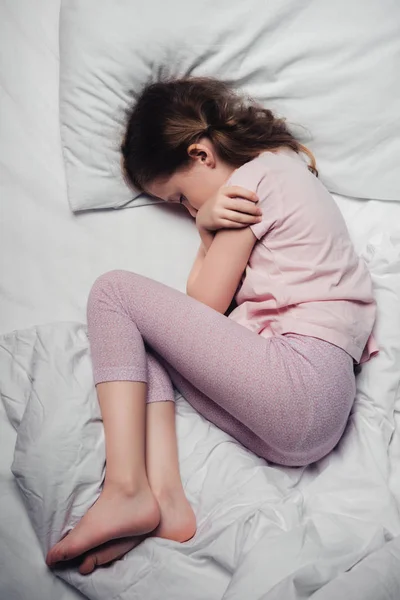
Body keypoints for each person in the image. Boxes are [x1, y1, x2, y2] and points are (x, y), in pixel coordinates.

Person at [46, 77, 377, 575]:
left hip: (302, 383)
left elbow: (204, 301)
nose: (190, 209)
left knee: (112, 292)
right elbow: (204, 311)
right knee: (141, 345)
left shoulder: (254, 183)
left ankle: (123, 487)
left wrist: (205, 230)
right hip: (305, 421)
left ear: (201, 154)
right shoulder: (284, 176)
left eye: (180, 196)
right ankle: (163, 500)